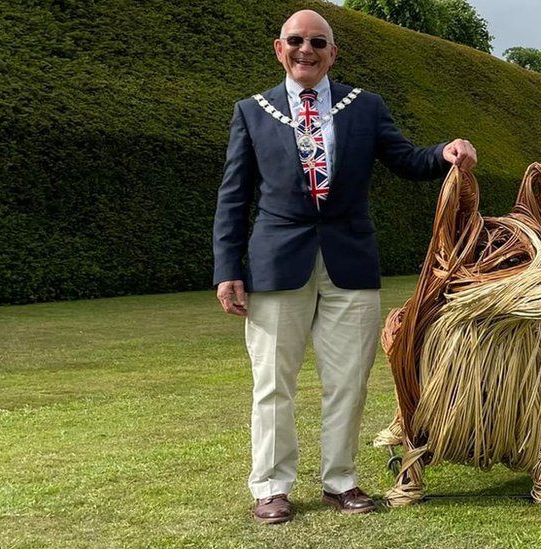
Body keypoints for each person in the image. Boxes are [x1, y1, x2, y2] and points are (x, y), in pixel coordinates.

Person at [212, 9, 477, 524]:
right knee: (272, 381)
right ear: (278, 48)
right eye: (295, 41)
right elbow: (233, 197)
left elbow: (404, 158)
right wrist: (228, 268)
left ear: (333, 53)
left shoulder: (365, 107)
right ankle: (270, 486)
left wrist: (444, 152)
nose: (305, 50)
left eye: (317, 42)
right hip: (274, 263)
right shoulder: (252, 111)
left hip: (350, 262)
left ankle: (340, 481)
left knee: (349, 380)